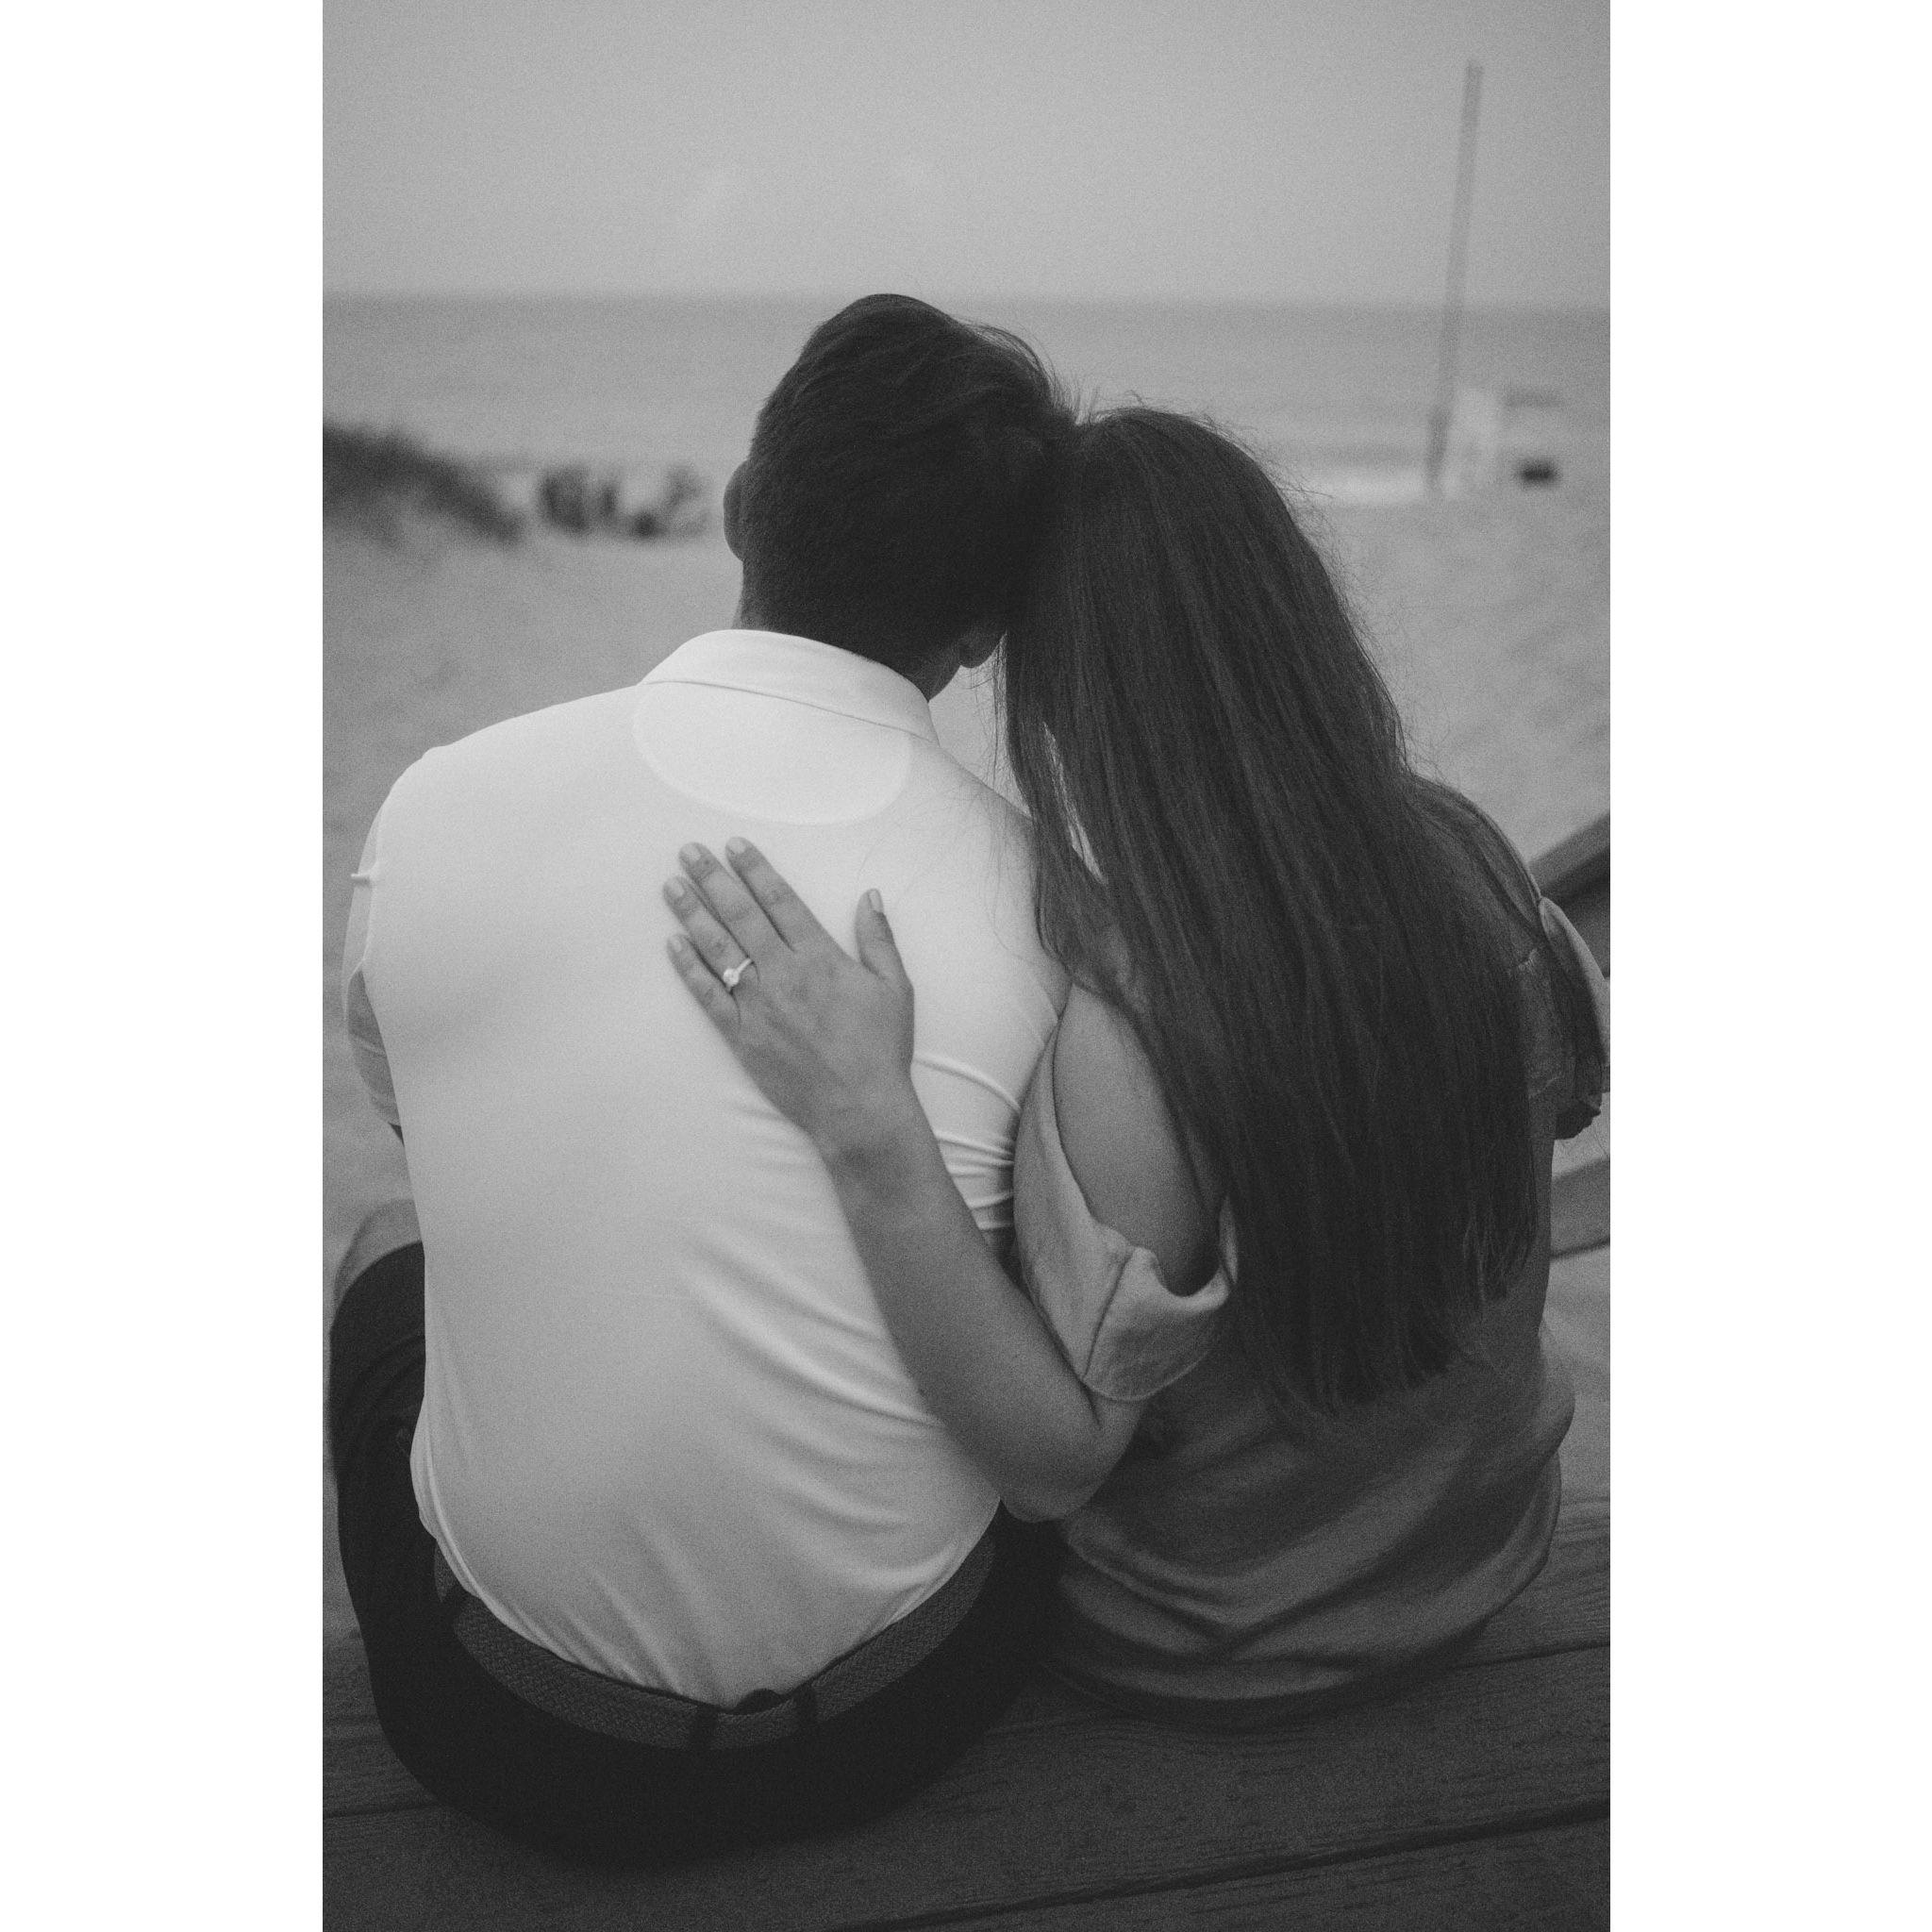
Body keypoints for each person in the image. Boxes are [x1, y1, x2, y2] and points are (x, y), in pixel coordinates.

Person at [664, 406, 1610, 1725]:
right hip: (1475, 1569)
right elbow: (1561, 1100)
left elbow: (1054, 1463)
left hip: (1212, 1648)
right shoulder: (1469, 859)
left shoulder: (1137, 1024)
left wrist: (867, 1122)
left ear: (1065, 697)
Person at [331, 294, 1079, 1862]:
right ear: (982, 630)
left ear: (743, 506)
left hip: (511, 1738)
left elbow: (412, 1122)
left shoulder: (440, 802)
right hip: (901, 1717)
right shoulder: (1031, 899)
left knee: (390, 1253)